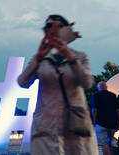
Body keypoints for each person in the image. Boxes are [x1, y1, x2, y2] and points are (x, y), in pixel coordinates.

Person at [17, 14, 98, 155]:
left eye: (59, 26)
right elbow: (22, 82)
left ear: (67, 31)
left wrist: (70, 57)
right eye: (49, 26)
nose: (54, 30)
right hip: (46, 125)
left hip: (75, 124)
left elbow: (87, 83)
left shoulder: (80, 56)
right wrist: (38, 58)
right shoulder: (41, 58)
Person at [92, 82, 119, 155]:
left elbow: (94, 110)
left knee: (104, 144)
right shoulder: (113, 95)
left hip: (101, 123)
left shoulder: (96, 95)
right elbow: (118, 110)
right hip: (113, 123)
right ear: (106, 87)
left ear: (98, 88)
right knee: (110, 142)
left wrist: (94, 121)